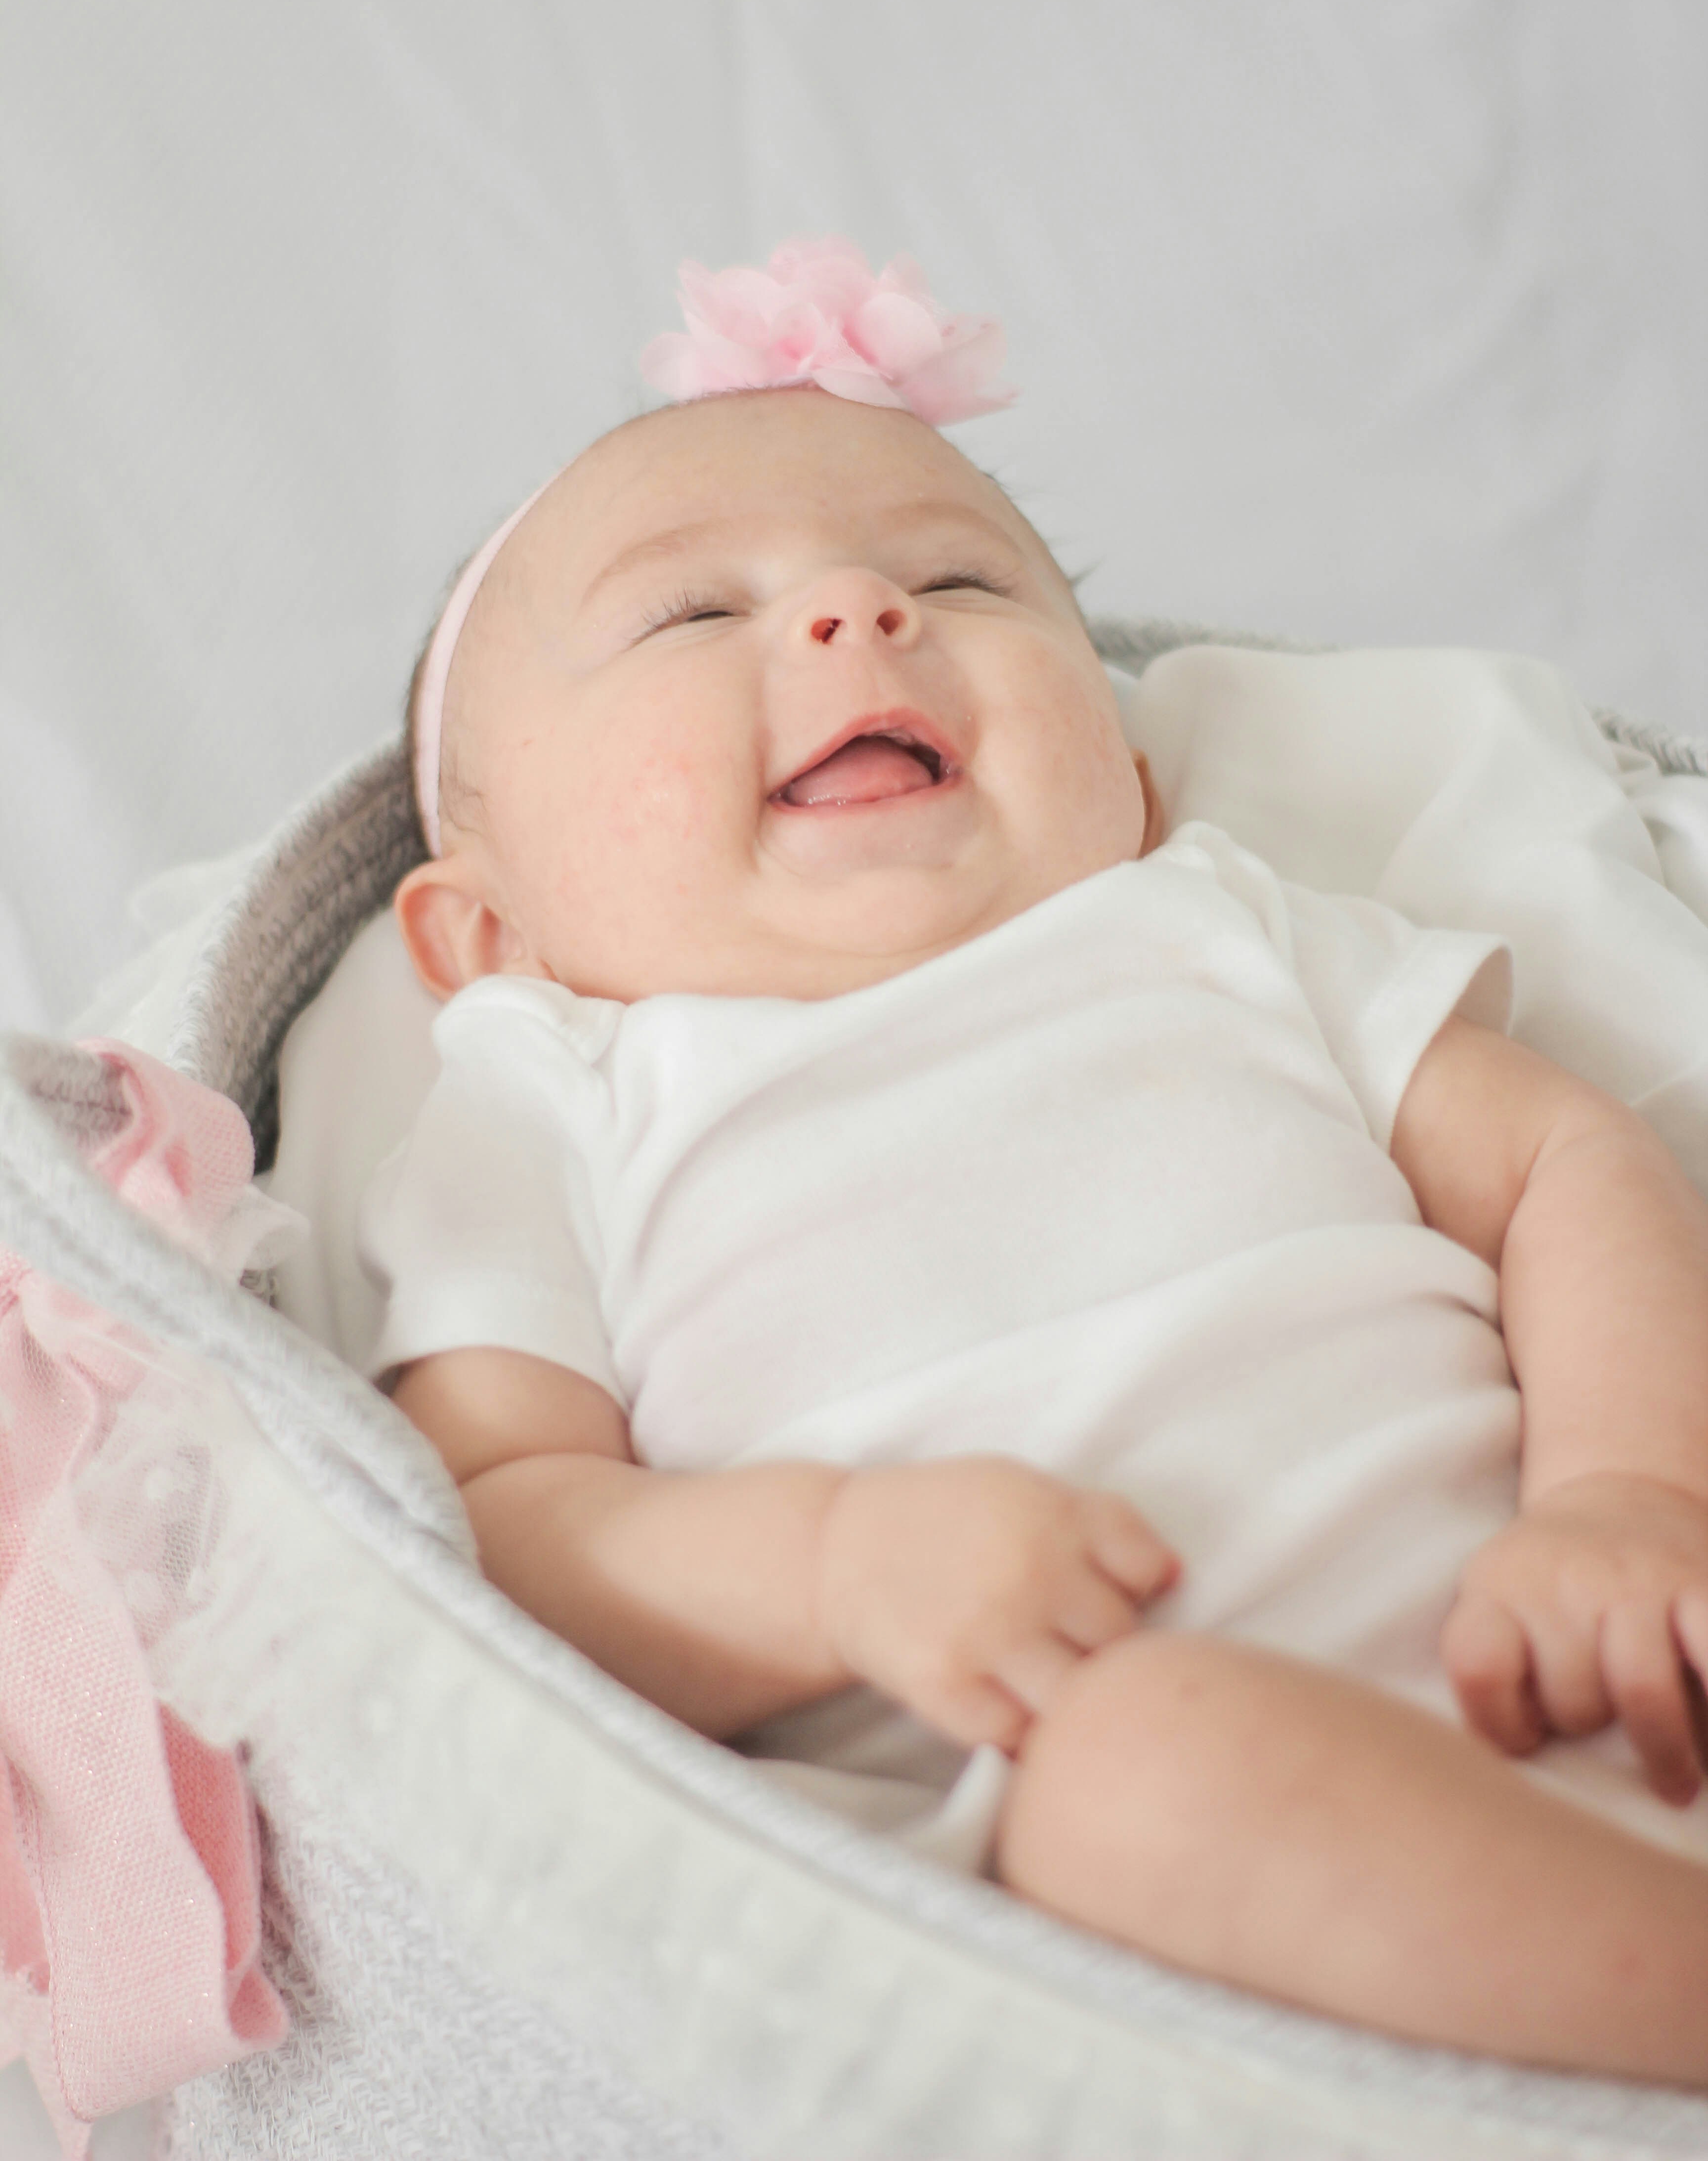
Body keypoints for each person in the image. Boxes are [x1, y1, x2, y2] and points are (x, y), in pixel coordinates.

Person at [362, 241, 1708, 2084]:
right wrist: (833, 1570)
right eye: (691, 617)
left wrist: (1631, 1496)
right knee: (1140, 1776)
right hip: (1158, 1843)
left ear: (1136, 789)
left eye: (957, 579)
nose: (857, 608)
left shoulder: (1214, 930)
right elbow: (494, 1534)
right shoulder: (558, 1093)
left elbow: (1569, 1165)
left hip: (1605, 1653)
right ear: (484, 935)